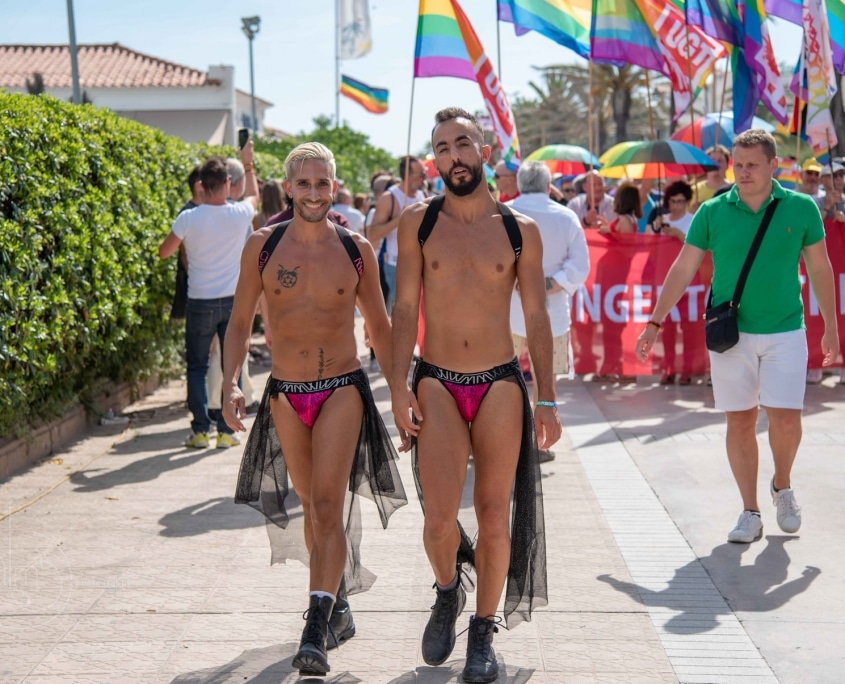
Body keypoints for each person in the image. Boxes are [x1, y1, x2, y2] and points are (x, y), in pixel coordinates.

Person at [222, 142, 407, 677]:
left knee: (327, 505)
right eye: (303, 184)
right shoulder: (262, 246)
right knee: (312, 507)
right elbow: (239, 322)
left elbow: (380, 327)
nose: (313, 193)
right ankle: (336, 600)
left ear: (333, 186)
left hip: (342, 387)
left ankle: (314, 627)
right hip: (285, 391)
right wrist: (230, 383)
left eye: (322, 183)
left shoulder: (356, 249)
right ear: (289, 187)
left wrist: (400, 392)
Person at [390, 107, 561, 683]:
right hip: (437, 380)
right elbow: (403, 308)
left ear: (484, 152)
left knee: (492, 514)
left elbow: (537, 316)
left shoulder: (519, 230)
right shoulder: (417, 222)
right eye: (442, 148)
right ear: (433, 160)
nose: (453, 156)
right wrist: (397, 387)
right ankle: (448, 589)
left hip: (499, 384)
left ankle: (483, 632)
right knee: (439, 519)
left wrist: (547, 396)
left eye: (463, 144)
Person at [635, 129, 839, 544]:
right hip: (730, 334)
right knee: (741, 420)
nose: (743, 172)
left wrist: (832, 328)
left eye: (752, 165)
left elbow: (820, 268)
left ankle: (783, 486)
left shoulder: (801, 207)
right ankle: (750, 511)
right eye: (738, 164)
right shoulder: (712, 211)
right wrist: (654, 322)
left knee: (787, 418)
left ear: (773, 165)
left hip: (786, 330)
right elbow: (683, 268)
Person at [158, 145, 258, 448]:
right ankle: (227, 431)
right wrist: (248, 164)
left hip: (200, 301)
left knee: (197, 367)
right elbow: (254, 196)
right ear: (228, 183)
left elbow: (164, 252)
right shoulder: (240, 213)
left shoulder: (188, 217)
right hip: (233, 301)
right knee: (231, 367)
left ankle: (201, 431)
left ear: (200, 185)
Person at [508, 160, 589, 462]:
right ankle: (537, 444)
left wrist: (517, 280)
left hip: (506, 311)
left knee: (500, 378)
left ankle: (500, 441)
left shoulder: (503, 213)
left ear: (519, 184)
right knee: (546, 382)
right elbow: (580, 265)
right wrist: (548, 283)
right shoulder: (566, 216)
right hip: (551, 313)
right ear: (548, 185)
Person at [649, 180, 699, 385]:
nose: (676, 205)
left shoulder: (694, 220)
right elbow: (646, 245)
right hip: (665, 281)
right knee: (666, 328)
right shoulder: (661, 221)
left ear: (687, 202)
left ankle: (687, 369)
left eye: (680, 201)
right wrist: (655, 228)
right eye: (673, 201)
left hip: (690, 283)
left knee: (689, 329)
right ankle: (668, 368)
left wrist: (678, 235)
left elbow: (699, 247)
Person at [367, 156, 427, 316]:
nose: (424, 177)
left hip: (422, 263)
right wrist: (400, 218)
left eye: (425, 173)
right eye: (421, 174)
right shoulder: (390, 198)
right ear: (408, 176)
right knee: (402, 311)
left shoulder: (423, 195)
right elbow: (373, 234)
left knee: (421, 313)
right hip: (396, 264)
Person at [169, 165, 204, 321]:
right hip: (193, 280)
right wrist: (196, 278)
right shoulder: (187, 212)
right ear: (198, 186)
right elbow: (184, 252)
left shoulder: (203, 210)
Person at [693, 144, 731, 210]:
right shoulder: (694, 190)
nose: (716, 164)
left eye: (720, 161)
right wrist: (694, 213)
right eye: (712, 160)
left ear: (727, 165)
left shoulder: (734, 190)